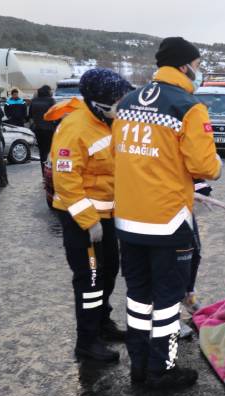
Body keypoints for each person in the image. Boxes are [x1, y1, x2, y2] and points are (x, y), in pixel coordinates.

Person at [112, 36, 222, 390]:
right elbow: (204, 165)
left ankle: (140, 365)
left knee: (138, 298)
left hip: (128, 221)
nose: (199, 70)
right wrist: (214, 164)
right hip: (168, 221)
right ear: (183, 65)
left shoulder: (127, 103)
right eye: (198, 63)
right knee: (167, 302)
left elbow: (119, 155)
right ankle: (164, 368)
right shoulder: (188, 107)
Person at [50, 68, 130, 362]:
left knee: (108, 272)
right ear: (100, 102)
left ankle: (102, 323)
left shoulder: (111, 123)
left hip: (107, 218)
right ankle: (87, 340)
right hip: (81, 220)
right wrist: (89, 221)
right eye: (119, 99)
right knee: (90, 279)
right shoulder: (75, 128)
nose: (124, 103)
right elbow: (66, 180)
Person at [29, 85, 56, 169]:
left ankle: (44, 172)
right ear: (47, 92)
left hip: (38, 129)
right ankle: (51, 173)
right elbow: (55, 114)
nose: (51, 92)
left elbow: (30, 115)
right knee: (51, 151)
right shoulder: (51, 101)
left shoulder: (33, 101)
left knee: (42, 151)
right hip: (49, 129)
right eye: (50, 90)